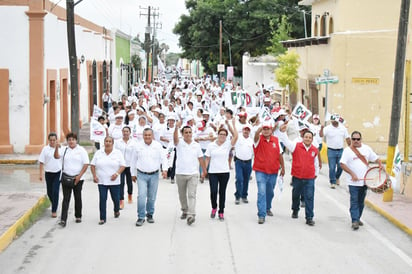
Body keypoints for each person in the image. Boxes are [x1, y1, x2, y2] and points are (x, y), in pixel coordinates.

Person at [340, 131, 380, 230]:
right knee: (354, 201)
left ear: (361, 139)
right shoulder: (347, 151)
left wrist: (381, 167)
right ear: (351, 140)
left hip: (364, 181)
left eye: (358, 139)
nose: (356, 141)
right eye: (354, 139)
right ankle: (354, 220)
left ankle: (357, 217)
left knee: (361, 202)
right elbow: (342, 164)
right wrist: (352, 174)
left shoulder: (367, 149)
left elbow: (376, 158)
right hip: (352, 182)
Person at [279, 129, 319, 226]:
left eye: (310, 137)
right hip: (297, 176)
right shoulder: (295, 146)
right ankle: (295, 210)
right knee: (296, 195)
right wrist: (283, 132)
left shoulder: (314, 150)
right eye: (306, 137)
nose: (308, 139)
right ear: (303, 138)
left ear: (312, 139)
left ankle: (309, 217)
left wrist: (316, 173)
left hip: (310, 177)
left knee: (309, 197)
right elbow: (286, 142)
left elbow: (316, 163)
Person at [130, 128, 168, 227]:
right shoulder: (137, 146)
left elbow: (163, 158)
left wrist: (165, 169)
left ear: (152, 136)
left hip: (154, 175)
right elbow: (133, 160)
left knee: (151, 197)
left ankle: (150, 214)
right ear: (143, 136)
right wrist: (132, 173)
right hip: (141, 174)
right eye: (145, 135)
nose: (147, 137)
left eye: (149, 135)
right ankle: (141, 217)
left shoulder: (158, 146)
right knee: (141, 196)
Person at [173, 120, 207, 225]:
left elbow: (201, 158)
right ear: (182, 134)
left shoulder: (196, 145)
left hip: (193, 173)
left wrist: (204, 171)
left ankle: (191, 215)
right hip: (180, 173)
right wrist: (176, 128)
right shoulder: (179, 143)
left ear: (192, 133)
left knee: (191, 195)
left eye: (189, 132)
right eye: (186, 132)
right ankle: (184, 210)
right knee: (182, 195)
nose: (188, 134)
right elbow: (174, 139)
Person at [205, 119, 238, 221]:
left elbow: (236, 136)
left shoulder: (227, 144)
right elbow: (207, 158)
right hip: (213, 172)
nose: (222, 136)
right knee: (213, 192)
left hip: (224, 172)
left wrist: (232, 125)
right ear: (218, 134)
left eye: (224, 134)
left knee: (222, 192)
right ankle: (214, 207)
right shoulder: (211, 145)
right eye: (221, 134)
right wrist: (204, 170)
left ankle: (221, 211)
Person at [54, 132, 89, 228]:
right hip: (66, 177)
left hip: (78, 178)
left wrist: (79, 176)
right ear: (67, 141)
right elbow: (56, 156)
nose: (71, 141)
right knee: (66, 199)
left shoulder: (81, 150)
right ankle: (63, 219)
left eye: (73, 139)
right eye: (69, 140)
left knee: (77, 197)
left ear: (76, 140)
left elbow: (86, 164)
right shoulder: (65, 149)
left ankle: (78, 215)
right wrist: (57, 147)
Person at [253, 120, 285, 224]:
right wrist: (258, 131)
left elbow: (280, 155)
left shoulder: (276, 140)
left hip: (273, 170)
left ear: (271, 130)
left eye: (268, 129)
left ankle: (267, 207)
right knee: (261, 192)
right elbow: (255, 137)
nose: (266, 131)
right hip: (260, 170)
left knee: (270, 192)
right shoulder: (258, 139)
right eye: (264, 129)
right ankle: (261, 214)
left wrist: (283, 168)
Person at [90, 136, 125, 225]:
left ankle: (116, 210)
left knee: (116, 199)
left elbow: (123, 165)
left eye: (110, 141)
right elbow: (93, 165)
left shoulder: (117, 153)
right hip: (102, 181)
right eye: (106, 141)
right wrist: (94, 176)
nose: (108, 143)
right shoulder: (99, 153)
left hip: (114, 181)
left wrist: (117, 174)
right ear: (104, 143)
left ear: (113, 143)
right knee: (102, 199)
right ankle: (102, 218)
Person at [320, 115, 351, 188]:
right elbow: (321, 135)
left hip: (340, 150)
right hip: (331, 150)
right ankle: (332, 182)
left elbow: (347, 138)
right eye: (332, 120)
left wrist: (350, 147)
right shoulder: (327, 128)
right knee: (332, 167)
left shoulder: (343, 128)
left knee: (341, 166)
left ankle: (337, 177)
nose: (333, 122)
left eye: (335, 120)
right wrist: (321, 129)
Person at [39, 132, 62, 218]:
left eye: (54, 140)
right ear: (48, 140)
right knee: (49, 192)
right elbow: (41, 162)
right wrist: (40, 174)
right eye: (51, 140)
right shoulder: (45, 149)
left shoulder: (60, 148)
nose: (52, 142)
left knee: (55, 191)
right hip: (48, 173)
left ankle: (54, 210)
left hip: (57, 173)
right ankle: (54, 203)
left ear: (57, 140)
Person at [114, 126, 137, 209]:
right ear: (122, 132)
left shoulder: (134, 142)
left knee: (129, 182)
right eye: (124, 131)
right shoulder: (117, 142)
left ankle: (130, 195)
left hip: (130, 165)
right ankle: (121, 200)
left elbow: (136, 154)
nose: (125, 133)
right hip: (121, 165)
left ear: (130, 132)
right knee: (121, 183)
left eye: (127, 131)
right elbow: (115, 153)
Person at [233, 124, 254, 204]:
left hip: (248, 162)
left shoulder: (251, 140)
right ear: (242, 130)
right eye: (245, 130)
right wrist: (233, 124)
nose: (246, 131)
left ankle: (244, 195)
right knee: (239, 179)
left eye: (248, 130)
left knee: (246, 180)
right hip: (239, 162)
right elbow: (233, 133)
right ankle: (237, 196)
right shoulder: (238, 138)